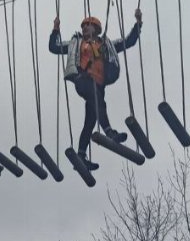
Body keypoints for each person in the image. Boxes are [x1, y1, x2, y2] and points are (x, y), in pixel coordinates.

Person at [49, 10, 143, 170]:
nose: (85, 28)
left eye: (88, 26)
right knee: (99, 101)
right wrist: (55, 29)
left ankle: (81, 154)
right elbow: (54, 47)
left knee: (91, 120)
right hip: (83, 80)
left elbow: (129, 41)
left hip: (99, 85)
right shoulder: (75, 43)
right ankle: (109, 131)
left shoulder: (107, 45)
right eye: (84, 26)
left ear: (96, 29)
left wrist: (138, 23)